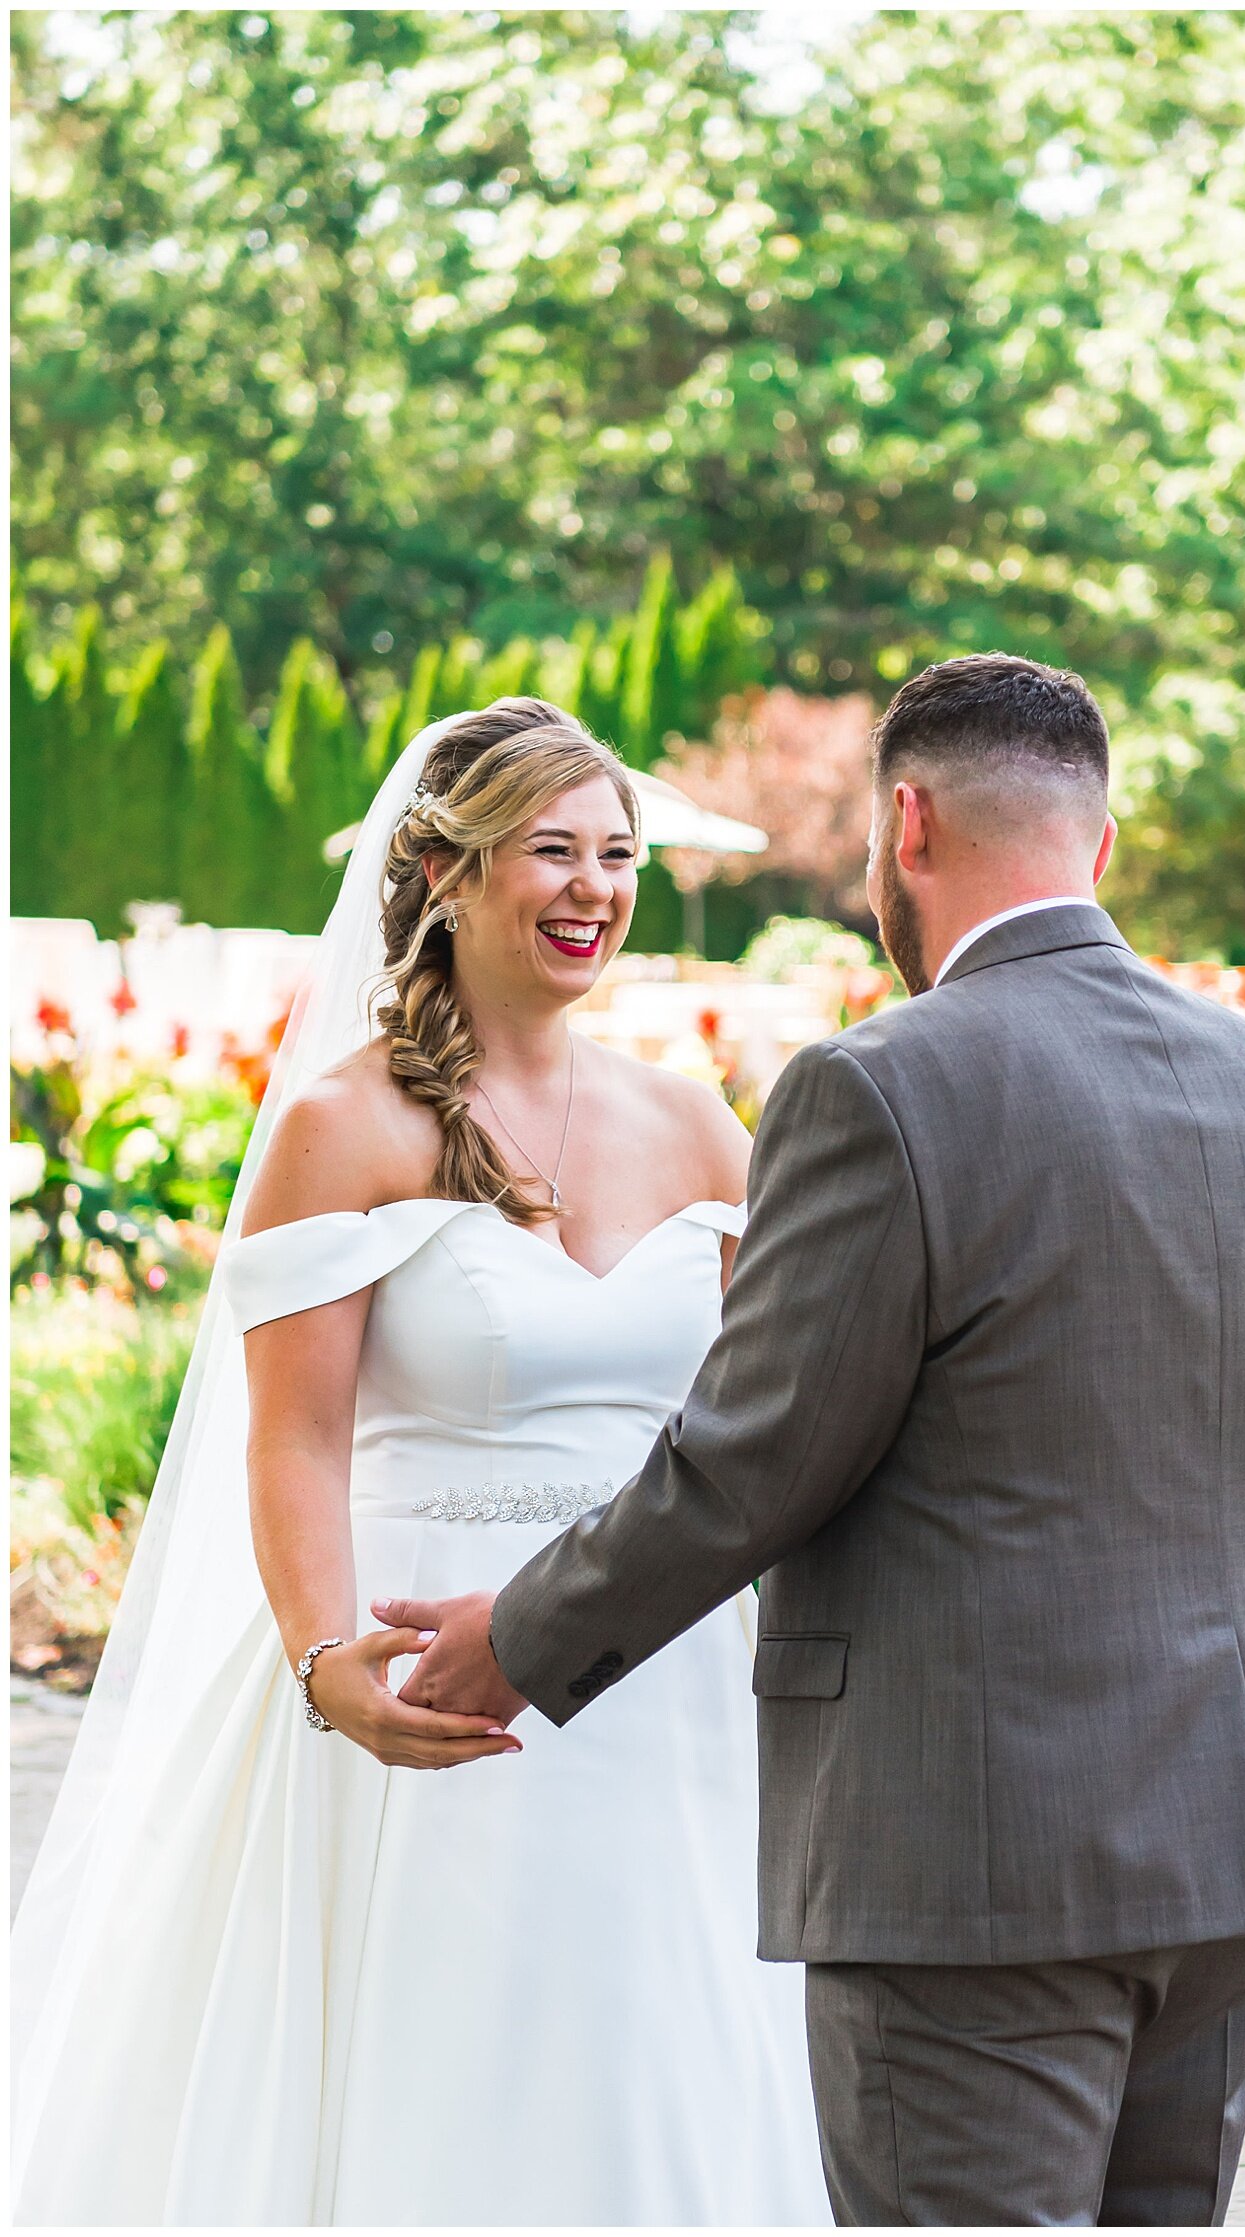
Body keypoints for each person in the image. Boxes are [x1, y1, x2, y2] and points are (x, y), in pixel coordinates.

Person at [388, 653, 1245, 2228]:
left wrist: (517, 1635)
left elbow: (754, 1461)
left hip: (975, 1857)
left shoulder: (875, 1087)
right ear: (1097, 845)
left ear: (904, 823)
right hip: (1244, 1835)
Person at [11, 700, 830, 2226]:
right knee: (453, 2066)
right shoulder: (345, 1126)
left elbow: (764, 1416)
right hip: (419, 1674)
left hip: (666, 1681)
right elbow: (296, 1434)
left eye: (616, 853)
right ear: (446, 873)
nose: (593, 887)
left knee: (667, 2044)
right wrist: (329, 1662)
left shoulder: (697, 1123)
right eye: (551, 851)